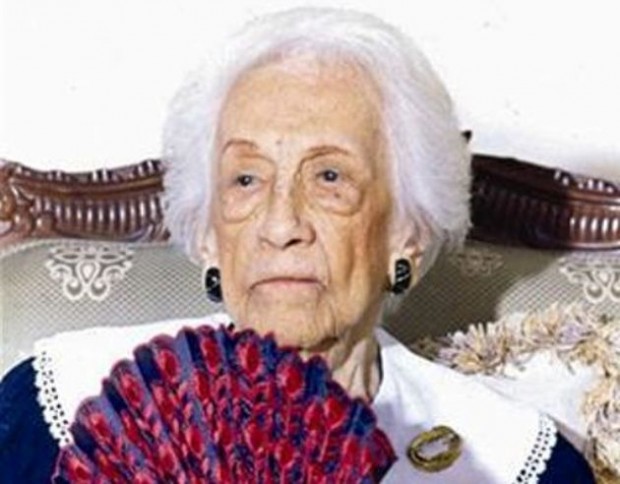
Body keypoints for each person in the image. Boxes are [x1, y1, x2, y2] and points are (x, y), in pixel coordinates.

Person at [0, 8, 595, 482]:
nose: (281, 223)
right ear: (208, 235)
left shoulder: (512, 460)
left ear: (407, 233)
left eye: (329, 177)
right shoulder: (53, 406)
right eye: (245, 179)